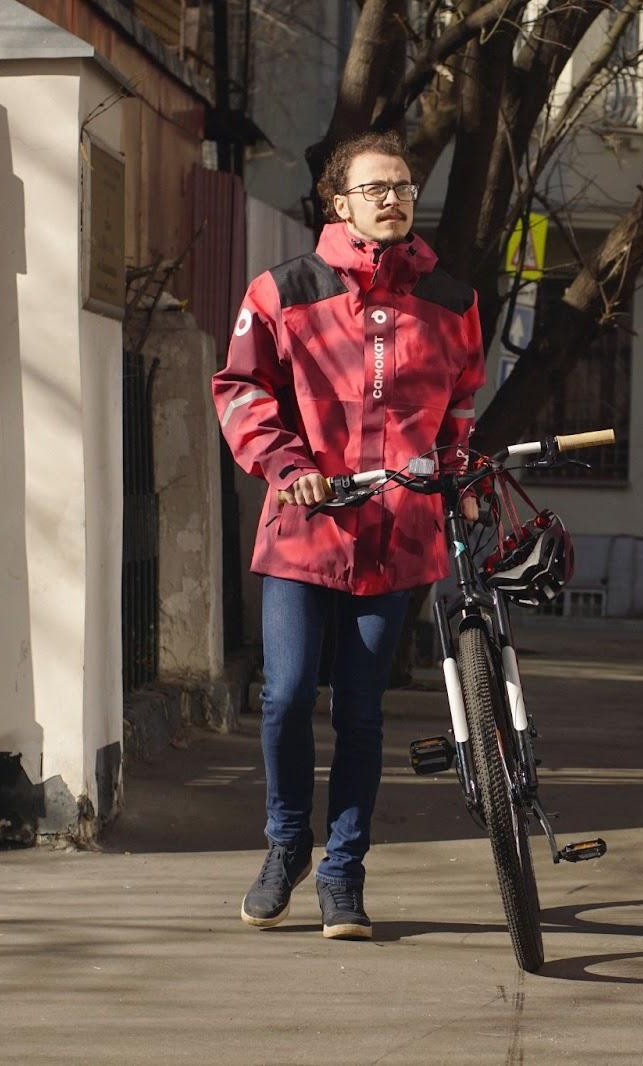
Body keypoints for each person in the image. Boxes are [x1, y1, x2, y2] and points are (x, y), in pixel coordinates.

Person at [213, 131, 485, 940]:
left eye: (402, 186)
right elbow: (239, 387)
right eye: (377, 189)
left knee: (362, 714)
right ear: (340, 205)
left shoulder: (452, 300)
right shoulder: (282, 291)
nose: (395, 198)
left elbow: (462, 403)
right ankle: (286, 842)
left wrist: (455, 471)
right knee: (287, 695)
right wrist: (284, 460)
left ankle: (343, 874)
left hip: (400, 532)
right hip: (304, 522)